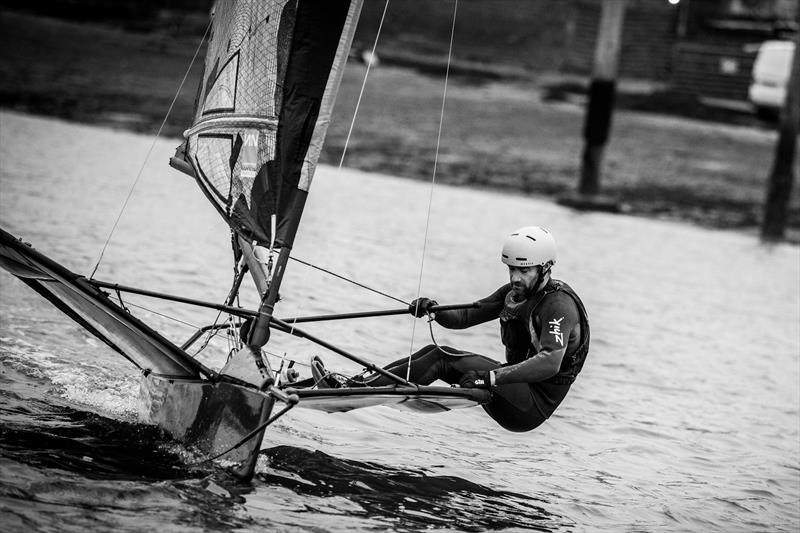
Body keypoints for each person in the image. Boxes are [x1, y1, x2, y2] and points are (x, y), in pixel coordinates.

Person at [310, 226, 590, 432]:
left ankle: (347, 393)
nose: (515, 277)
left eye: (524, 271)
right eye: (511, 269)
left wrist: (490, 378)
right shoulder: (515, 292)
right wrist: (434, 309)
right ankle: (352, 387)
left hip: (531, 405)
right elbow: (467, 315)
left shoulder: (558, 306)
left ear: (546, 268)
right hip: (510, 385)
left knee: (443, 359)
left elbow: (551, 361)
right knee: (436, 352)